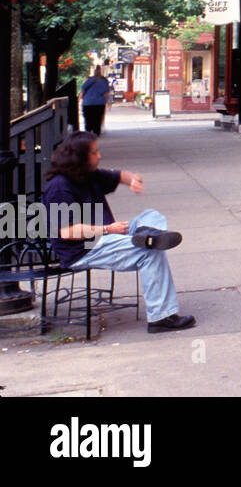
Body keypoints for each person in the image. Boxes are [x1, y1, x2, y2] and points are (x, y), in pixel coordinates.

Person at [40, 131, 197, 334]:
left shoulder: (88, 174)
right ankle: (161, 317)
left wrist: (133, 180)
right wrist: (107, 229)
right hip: (83, 249)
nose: (99, 156)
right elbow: (67, 232)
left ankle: (146, 235)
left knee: (151, 215)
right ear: (79, 157)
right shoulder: (59, 187)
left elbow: (121, 175)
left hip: (107, 237)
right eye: (94, 152)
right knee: (149, 251)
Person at [79, 66, 112, 136]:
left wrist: (80, 99)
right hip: (99, 103)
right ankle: (96, 132)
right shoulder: (104, 81)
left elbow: (83, 90)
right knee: (98, 118)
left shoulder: (89, 80)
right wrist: (109, 102)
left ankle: (88, 131)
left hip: (88, 102)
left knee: (88, 118)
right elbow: (106, 93)